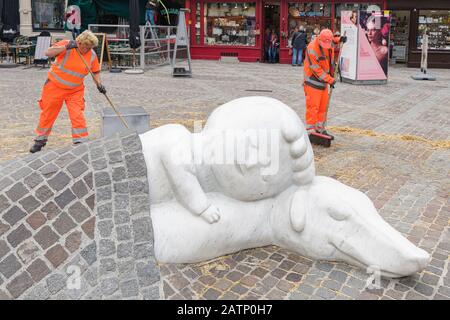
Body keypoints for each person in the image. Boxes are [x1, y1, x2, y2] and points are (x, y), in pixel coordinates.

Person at [30, 30, 105, 153]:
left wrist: (99, 84)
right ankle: (40, 140)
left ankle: (81, 141)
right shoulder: (67, 44)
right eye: (86, 47)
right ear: (79, 43)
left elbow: (95, 71)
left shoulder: (91, 55)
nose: (87, 50)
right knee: (48, 114)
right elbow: (47, 52)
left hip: (75, 90)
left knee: (77, 115)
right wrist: (65, 47)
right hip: (54, 87)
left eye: (90, 47)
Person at [303, 29, 346, 139]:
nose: (327, 45)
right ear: (319, 39)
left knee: (323, 107)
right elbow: (316, 70)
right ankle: (310, 130)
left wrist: (339, 39)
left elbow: (333, 41)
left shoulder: (329, 42)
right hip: (312, 82)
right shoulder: (312, 48)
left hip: (323, 83)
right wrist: (330, 79)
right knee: (313, 107)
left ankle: (320, 128)